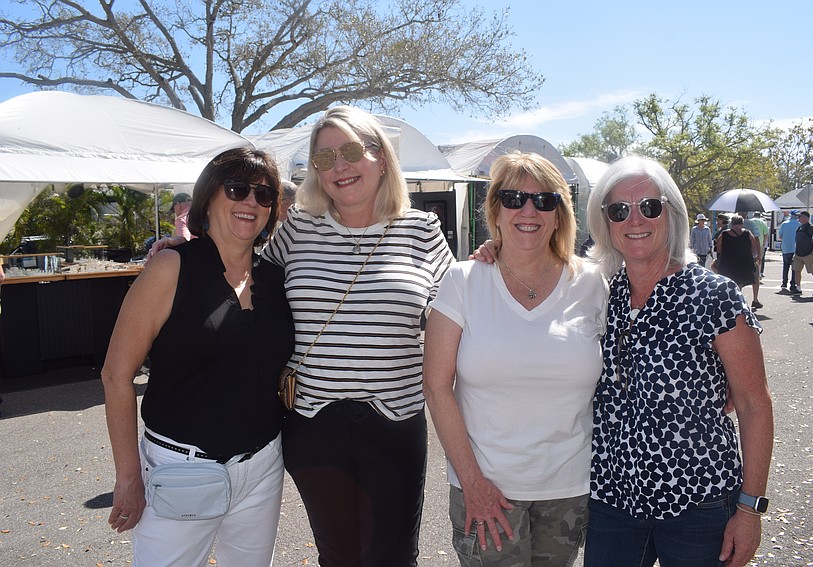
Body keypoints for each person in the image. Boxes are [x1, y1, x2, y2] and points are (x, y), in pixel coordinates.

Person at [261, 105, 454, 566]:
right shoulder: (298, 229)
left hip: (393, 423)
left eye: (350, 150)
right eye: (324, 159)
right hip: (313, 423)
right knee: (337, 554)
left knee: (392, 555)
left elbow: (462, 310)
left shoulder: (422, 231)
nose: (339, 166)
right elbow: (242, 281)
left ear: (381, 157)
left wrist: (493, 258)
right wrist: (187, 256)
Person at [101, 147, 295, 566]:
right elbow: (116, 375)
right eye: (237, 188)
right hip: (180, 468)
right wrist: (129, 476)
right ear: (208, 198)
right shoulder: (171, 267)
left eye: (263, 195)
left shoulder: (275, 277)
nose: (250, 202)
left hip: (261, 467)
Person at [583, 156, 774, 567]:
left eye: (649, 206)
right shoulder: (598, 290)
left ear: (671, 212)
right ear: (606, 222)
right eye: (620, 210)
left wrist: (749, 509)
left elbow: (754, 404)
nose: (635, 219)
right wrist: (493, 252)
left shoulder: (715, 295)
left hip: (698, 503)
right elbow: (534, 268)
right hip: (612, 499)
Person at [423, 152, 608, 566]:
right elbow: (436, 387)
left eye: (545, 201)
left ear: (560, 214)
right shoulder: (463, 281)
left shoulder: (592, 283)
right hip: (486, 487)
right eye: (513, 198)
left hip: (568, 489)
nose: (529, 210)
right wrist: (472, 482)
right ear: (495, 211)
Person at [717, 214, 763, 309]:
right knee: (740, 283)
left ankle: (730, 301)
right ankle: (737, 302)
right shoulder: (748, 233)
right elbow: (753, 248)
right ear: (742, 224)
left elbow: (719, 248)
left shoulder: (724, 234)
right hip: (744, 262)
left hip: (728, 262)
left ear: (732, 223)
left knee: (728, 282)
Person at [792, 211, 813, 295]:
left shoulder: (811, 228)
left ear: (806, 218)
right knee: (796, 270)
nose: (799, 218)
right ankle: (798, 288)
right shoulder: (799, 228)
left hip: (808, 254)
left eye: (800, 216)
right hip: (798, 254)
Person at [778, 210, 801, 291]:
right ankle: (793, 284)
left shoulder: (784, 224)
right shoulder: (799, 225)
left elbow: (780, 236)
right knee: (795, 268)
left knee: (785, 266)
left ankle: (784, 282)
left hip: (786, 248)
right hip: (796, 249)